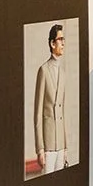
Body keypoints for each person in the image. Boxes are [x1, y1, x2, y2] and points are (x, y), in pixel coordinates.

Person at [32, 24, 69, 176]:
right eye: (60, 39)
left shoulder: (63, 72)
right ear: (52, 43)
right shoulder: (43, 70)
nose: (63, 43)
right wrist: (40, 149)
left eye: (63, 39)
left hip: (60, 144)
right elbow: (38, 113)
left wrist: (65, 146)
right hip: (48, 145)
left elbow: (62, 113)